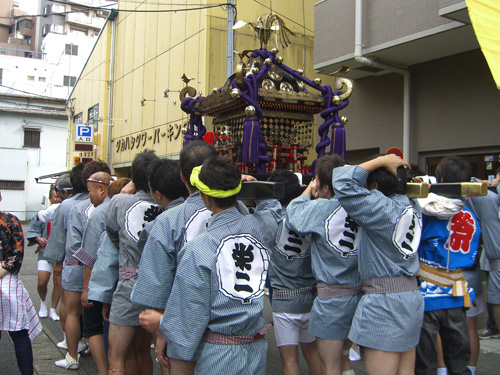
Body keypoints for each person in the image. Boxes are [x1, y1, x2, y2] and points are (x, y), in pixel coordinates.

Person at [161, 156, 281, 375]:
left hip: (218, 355)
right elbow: (274, 210)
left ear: (206, 197)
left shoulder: (197, 249)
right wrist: (255, 188)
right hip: (256, 348)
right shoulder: (263, 228)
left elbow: (186, 322)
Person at [333, 154, 424, 375]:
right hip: (411, 297)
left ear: (374, 186)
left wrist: (382, 160)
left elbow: (342, 181)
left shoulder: (381, 207)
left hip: (386, 303)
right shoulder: (412, 206)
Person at [131, 140, 218, 365]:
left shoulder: (167, 220)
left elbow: (158, 285)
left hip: (183, 320)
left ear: (182, 176)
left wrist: (161, 332)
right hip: (231, 327)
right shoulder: (242, 213)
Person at [287, 154, 361, 375]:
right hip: (360, 295)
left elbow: (293, 215)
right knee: (345, 359)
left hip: (332, 300)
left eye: (317, 180)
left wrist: (307, 192)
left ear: (326, 187)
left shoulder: (322, 208)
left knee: (329, 365)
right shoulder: (363, 204)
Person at [414, 156, 481, 375]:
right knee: (458, 360)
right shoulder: (470, 217)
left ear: (440, 179)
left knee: (424, 362)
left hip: (427, 295)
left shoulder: (428, 213)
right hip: (456, 293)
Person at [106, 150, 164, 375]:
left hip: (128, 283)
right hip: (159, 285)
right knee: (146, 351)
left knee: (117, 357)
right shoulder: (168, 203)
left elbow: (111, 235)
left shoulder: (120, 201)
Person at [54, 160, 111, 370]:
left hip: (79, 268)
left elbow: (74, 246)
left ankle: (72, 356)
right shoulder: (117, 204)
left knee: (73, 313)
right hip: (106, 272)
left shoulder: (78, 208)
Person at [265, 169, 321, 375]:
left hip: (283, 300)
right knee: (312, 353)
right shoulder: (309, 215)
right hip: (310, 296)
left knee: (289, 360)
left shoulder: (269, 218)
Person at [73, 171, 113, 375]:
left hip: (98, 282)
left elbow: (89, 256)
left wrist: (86, 288)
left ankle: (102, 372)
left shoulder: (98, 213)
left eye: (89, 191)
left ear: (101, 190)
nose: (88, 195)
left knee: (93, 328)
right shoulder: (120, 208)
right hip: (117, 280)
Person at [0, 190, 42, 375]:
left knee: (18, 332)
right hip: (8, 279)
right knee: (18, 331)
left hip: (7, 278)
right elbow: (17, 256)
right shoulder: (11, 220)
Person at [26, 185, 62, 321]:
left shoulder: (65, 210)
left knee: (58, 282)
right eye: (55, 196)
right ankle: (42, 303)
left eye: (59, 196)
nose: (58, 199)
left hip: (59, 254)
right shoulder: (44, 212)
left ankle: (53, 308)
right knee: (42, 281)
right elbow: (33, 227)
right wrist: (37, 238)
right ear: (50, 198)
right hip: (44, 251)